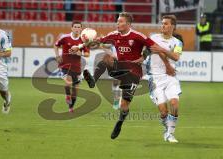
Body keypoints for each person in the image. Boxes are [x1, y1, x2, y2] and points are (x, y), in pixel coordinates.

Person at [72, 12, 153, 139]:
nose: (117, 23)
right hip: (119, 67)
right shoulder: (114, 35)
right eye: (117, 21)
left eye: (120, 21)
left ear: (128, 24)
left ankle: (119, 123)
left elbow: (152, 46)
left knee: (124, 106)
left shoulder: (137, 36)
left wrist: (143, 57)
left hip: (133, 73)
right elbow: (97, 41)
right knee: (106, 57)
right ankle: (93, 80)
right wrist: (80, 45)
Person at [146, 15, 183, 143]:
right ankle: (166, 125)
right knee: (163, 111)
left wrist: (161, 49)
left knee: (174, 103)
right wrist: (167, 64)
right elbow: (154, 51)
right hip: (155, 78)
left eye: (166, 23)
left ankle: (170, 134)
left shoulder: (177, 42)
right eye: (162, 23)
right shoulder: (153, 38)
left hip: (170, 77)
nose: (163, 25)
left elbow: (176, 57)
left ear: (172, 26)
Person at [54, 21, 89, 112]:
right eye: (75, 27)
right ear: (71, 28)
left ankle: (71, 107)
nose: (77, 29)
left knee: (76, 90)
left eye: (79, 27)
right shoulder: (65, 38)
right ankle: (67, 95)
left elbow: (87, 53)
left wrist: (80, 53)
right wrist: (57, 56)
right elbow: (56, 45)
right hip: (65, 65)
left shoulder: (83, 40)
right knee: (68, 83)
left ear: (81, 29)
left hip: (76, 67)